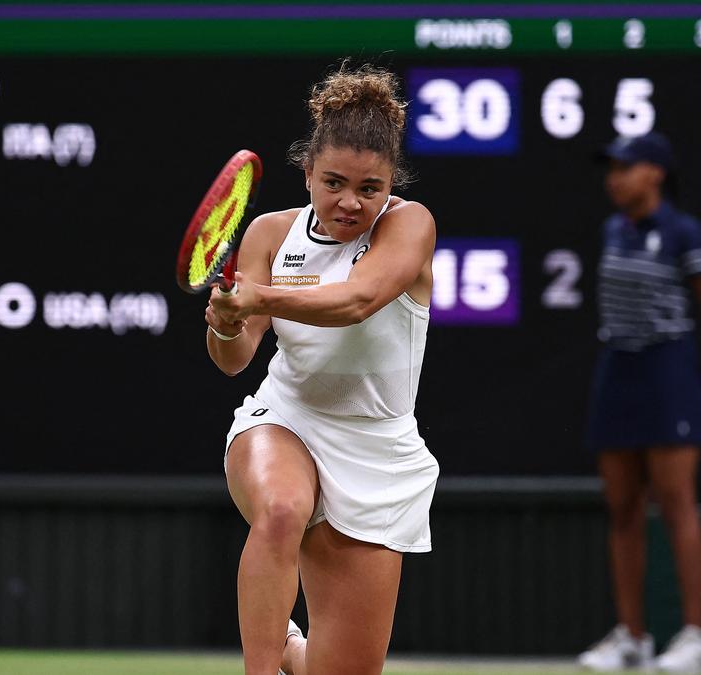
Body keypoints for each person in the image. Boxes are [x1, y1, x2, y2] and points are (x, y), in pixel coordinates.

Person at [205, 64, 439, 675]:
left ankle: (288, 648)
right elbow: (234, 360)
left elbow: (358, 300)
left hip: (377, 451)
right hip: (285, 420)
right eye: (333, 182)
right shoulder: (268, 233)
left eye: (371, 187)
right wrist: (226, 322)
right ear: (307, 171)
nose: (351, 202)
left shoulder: (410, 225)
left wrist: (259, 298)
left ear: (392, 184)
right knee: (282, 508)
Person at [578, 133, 701, 673]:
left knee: (675, 501)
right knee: (623, 507)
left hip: (670, 373)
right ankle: (633, 638)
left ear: (657, 174)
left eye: (627, 167)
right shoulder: (611, 229)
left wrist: (695, 378)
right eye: (611, 168)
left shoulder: (684, 232)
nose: (614, 177)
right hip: (618, 370)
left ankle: (697, 639)